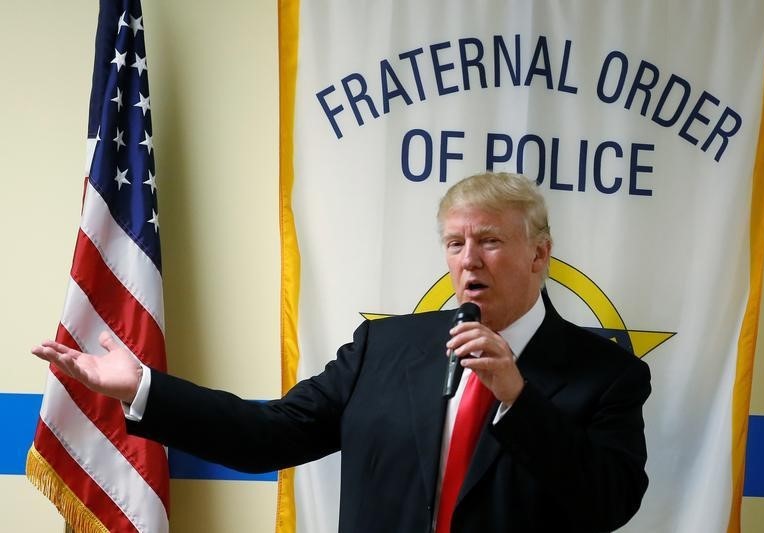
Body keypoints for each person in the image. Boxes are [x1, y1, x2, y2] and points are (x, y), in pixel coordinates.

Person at [32, 172, 651, 533]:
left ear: (539, 255)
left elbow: (610, 504)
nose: (468, 260)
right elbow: (267, 435)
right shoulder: (385, 348)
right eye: (455, 243)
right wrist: (144, 387)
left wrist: (518, 398)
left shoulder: (607, 375)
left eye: (489, 241)